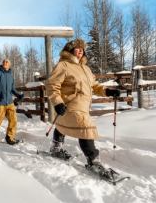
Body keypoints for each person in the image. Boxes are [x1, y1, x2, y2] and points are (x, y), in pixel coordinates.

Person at [46, 38, 120, 168]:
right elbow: (52, 85)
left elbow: (95, 86)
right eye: (77, 48)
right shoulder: (63, 65)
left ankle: (56, 147)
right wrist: (57, 102)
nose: (80, 50)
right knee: (85, 128)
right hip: (69, 104)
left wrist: (108, 91)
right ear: (70, 50)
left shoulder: (86, 68)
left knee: (62, 123)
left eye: (82, 49)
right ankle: (93, 161)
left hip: (83, 106)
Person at [0, 59, 24, 145]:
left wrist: (18, 95)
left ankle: (10, 137)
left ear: (9, 65)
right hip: (1, 102)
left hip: (10, 102)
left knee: (13, 120)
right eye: (4, 61)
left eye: (7, 62)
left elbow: (12, 89)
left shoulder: (10, 75)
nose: (5, 63)